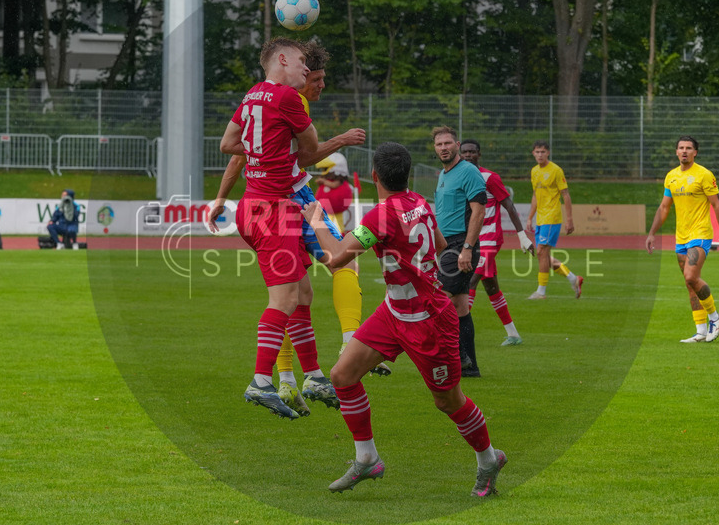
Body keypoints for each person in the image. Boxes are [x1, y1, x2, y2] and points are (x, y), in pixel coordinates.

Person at [303, 142, 507, 496]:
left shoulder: (380, 215)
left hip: (428, 321)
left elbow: (335, 258)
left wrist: (317, 221)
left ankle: (489, 459)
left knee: (448, 401)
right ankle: (367, 458)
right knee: (342, 375)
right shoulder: (419, 203)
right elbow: (440, 245)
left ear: (375, 176)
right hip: (394, 311)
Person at [207, 40, 371, 419]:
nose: (306, 70)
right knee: (286, 298)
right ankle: (262, 380)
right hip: (275, 210)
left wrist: (263, 153)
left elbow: (228, 144)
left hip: (256, 206)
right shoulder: (288, 99)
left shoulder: (252, 95)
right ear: (282, 60)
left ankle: (312, 375)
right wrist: (340, 140)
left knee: (301, 294)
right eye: (301, 62)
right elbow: (310, 153)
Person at [645, 136, 719, 343]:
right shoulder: (671, 176)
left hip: (700, 234)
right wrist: (652, 233)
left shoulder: (704, 175)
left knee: (691, 276)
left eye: (689, 148)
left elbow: (717, 205)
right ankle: (700, 330)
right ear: (676, 152)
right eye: (681, 148)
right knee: (689, 283)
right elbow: (664, 207)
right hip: (681, 237)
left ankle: (715, 317)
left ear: (695, 152)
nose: (684, 151)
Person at [459, 140, 536, 347]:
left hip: (490, 239)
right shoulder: (459, 177)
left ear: (479, 154)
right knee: (491, 287)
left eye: (472, 152)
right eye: (465, 152)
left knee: (469, 282)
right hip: (472, 240)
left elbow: (509, 205)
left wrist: (522, 236)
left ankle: (457, 334)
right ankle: (513, 334)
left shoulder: (490, 178)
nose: (468, 155)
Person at [432, 126, 486, 377]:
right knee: (460, 306)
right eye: (439, 144)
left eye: (447, 143)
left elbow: (478, 212)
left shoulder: (468, 171)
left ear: (457, 145)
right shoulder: (444, 174)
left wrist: (467, 248)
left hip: (460, 246)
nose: (443, 148)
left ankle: (457, 357)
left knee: (436, 301)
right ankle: (470, 366)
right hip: (447, 247)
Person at [525, 141, 583, 300]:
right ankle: (573, 279)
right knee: (543, 256)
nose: (540, 155)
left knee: (541, 252)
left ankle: (541, 292)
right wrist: (530, 217)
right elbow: (535, 196)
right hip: (541, 218)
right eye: (537, 152)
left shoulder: (556, 170)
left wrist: (569, 219)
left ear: (548, 153)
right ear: (533, 153)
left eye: (543, 152)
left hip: (552, 217)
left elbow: (566, 195)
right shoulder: (534, 171)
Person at [314, 152, 353, 230]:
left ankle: (339, 233)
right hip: (327, 208)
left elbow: (334, 185)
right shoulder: (327, 178)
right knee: (329, 220)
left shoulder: (339, 179)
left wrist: (323, 181)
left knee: (338, 222)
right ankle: (330, 231)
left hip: (336, 207)